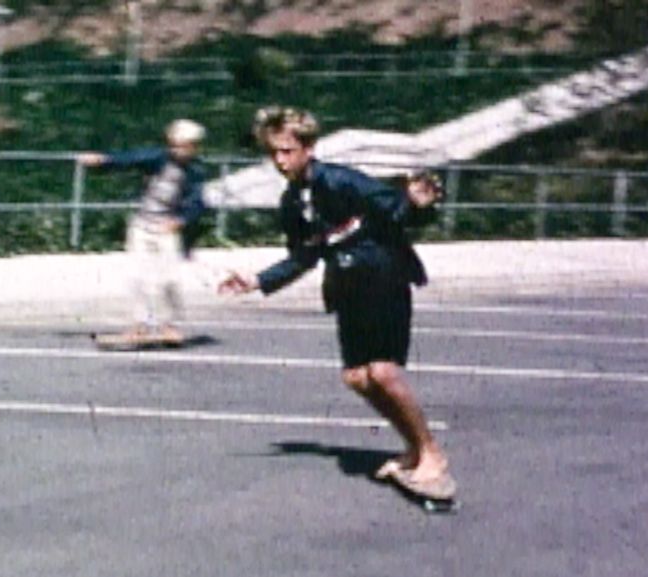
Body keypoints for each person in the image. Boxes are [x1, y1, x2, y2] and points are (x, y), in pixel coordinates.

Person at [218, 106, 452, 491]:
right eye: (273, 152)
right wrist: (256, 280)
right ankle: (411, 448)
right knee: (357, 378)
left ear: (308, 148)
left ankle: (431, 452)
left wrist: (415, 201)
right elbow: (303, 256)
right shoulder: (291, 203)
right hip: (347, 289)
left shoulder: (342, 180)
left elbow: (396, 208)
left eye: (287, 151)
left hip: (384, 277)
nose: (279, 160)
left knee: (383, 372)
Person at [78, 119, 208, 346]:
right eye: (174, 145)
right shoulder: (159, 158)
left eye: (184, 146)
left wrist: (180, 220)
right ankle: (140, 325)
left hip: (167, 228)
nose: (177, 150)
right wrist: (103, 160)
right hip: (143, 224)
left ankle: (169, 325)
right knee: (138, 276)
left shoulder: (196, 171)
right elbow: (131, 159)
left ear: (195, 147)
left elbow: (199, 202)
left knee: (168, 279)